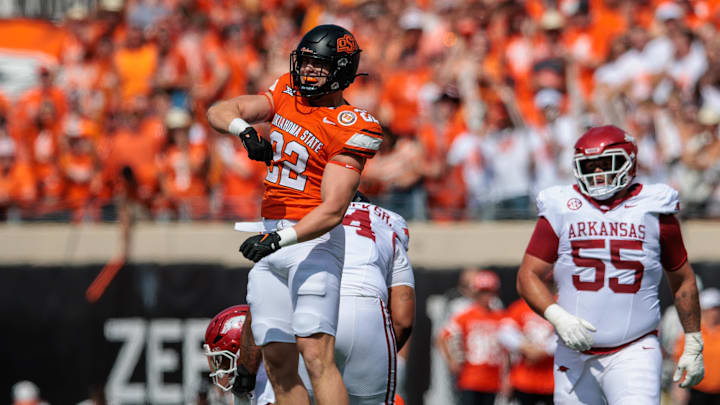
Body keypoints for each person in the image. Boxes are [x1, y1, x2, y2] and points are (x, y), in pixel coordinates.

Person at [207, 25, 382, 405]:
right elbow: (219, 110)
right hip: (271, 236)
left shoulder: (352, 125)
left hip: (310, 242)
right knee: (277, 361)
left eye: (318, 66)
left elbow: (333, 209)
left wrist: (279, 239)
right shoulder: (287, 91)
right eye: (304, 63)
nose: (307, 72)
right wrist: (245, 132)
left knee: (317, 355)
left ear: (342, 71)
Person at [516, 125, 705, 404]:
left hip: (634, 349)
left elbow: (683, 280)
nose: (598, 173)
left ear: (630, 161)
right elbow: (527, 276)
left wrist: (693, 341)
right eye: (590, 166)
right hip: (573, 352)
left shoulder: (654, 206)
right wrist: (558, 316)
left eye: (606, 163)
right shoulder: (562, 205)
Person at [204, 196, 415, 405]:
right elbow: (403, 320)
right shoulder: (390, 223)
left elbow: (264, 303)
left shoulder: (292, 217)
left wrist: (247, 372)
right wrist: (372, 353)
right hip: (367, 313)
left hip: (316, 315)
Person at [436, 270, 507, 405]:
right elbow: (443, 337)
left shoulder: (500, 317)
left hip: (493, 379)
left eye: (489, 292)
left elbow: (508, 349)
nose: (486, 297)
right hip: (470, 378)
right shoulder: (465, 316)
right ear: (475, 293)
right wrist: (452, 360)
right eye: (482, 292)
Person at [673, 288, 720, 404]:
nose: (713, 313)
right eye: (710, 309)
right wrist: (679, 386)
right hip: (697, 391)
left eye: (716, 309)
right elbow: (680, 360)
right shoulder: (692, 333)